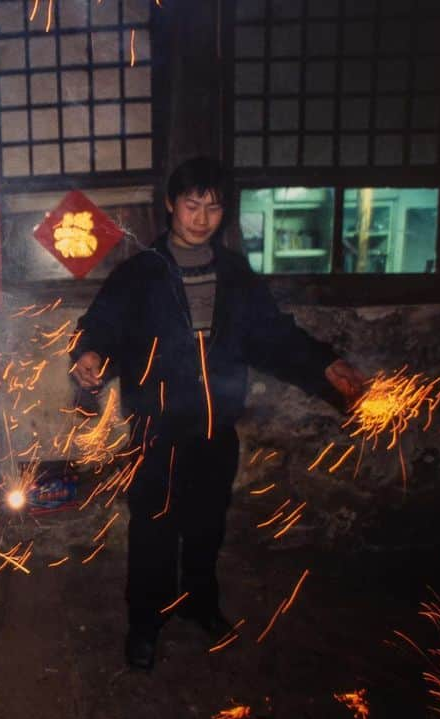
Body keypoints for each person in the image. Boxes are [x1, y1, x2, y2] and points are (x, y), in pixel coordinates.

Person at [70, 156, 365, 672]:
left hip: (215, 428)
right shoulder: (139, 273)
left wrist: (325, 363)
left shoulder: (234, 274)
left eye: (213, 206)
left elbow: (273, 335)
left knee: (207, 526)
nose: (202, 217)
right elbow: (101, 324)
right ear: (170, 205)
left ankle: (201, 603)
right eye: (191, 204)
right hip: (156, 429)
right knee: (153, 530)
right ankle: (145, 622)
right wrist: (90, 354)